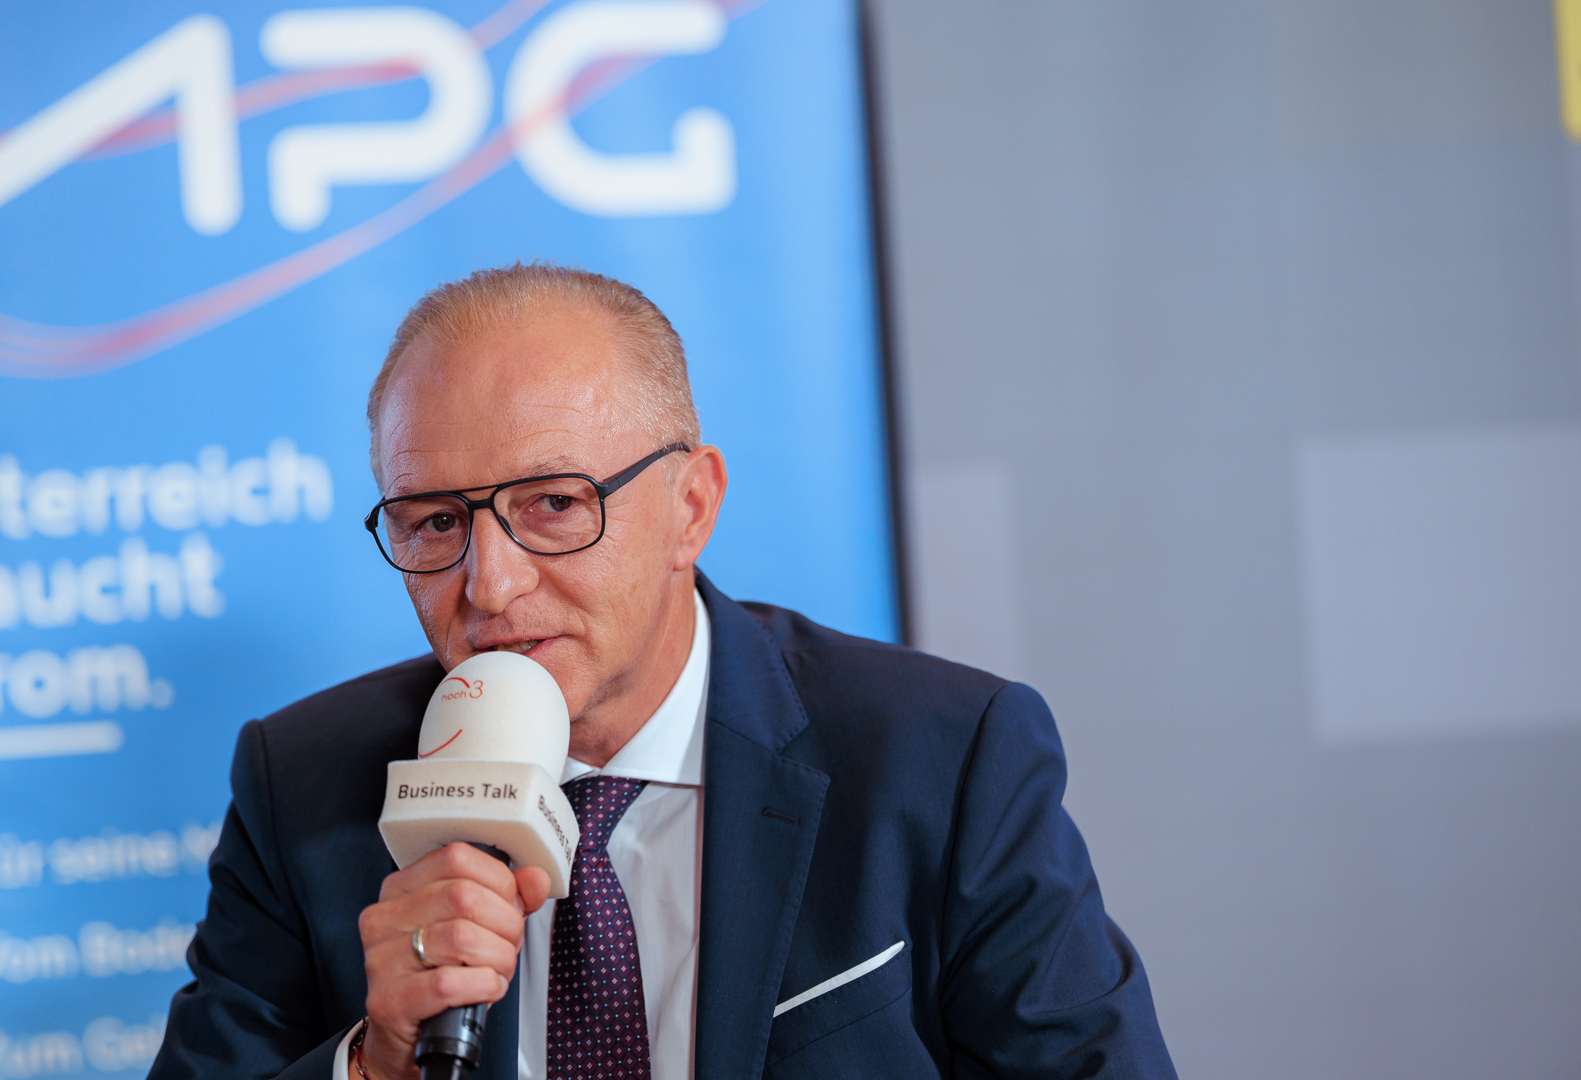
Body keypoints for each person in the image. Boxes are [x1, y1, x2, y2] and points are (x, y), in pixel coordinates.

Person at [148, 264, 1177, 1080]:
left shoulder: (942, 759)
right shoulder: (302, 785)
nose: (489, 584)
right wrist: (374, 1064)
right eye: (435, 522)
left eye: (555, 504)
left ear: (691, 508)